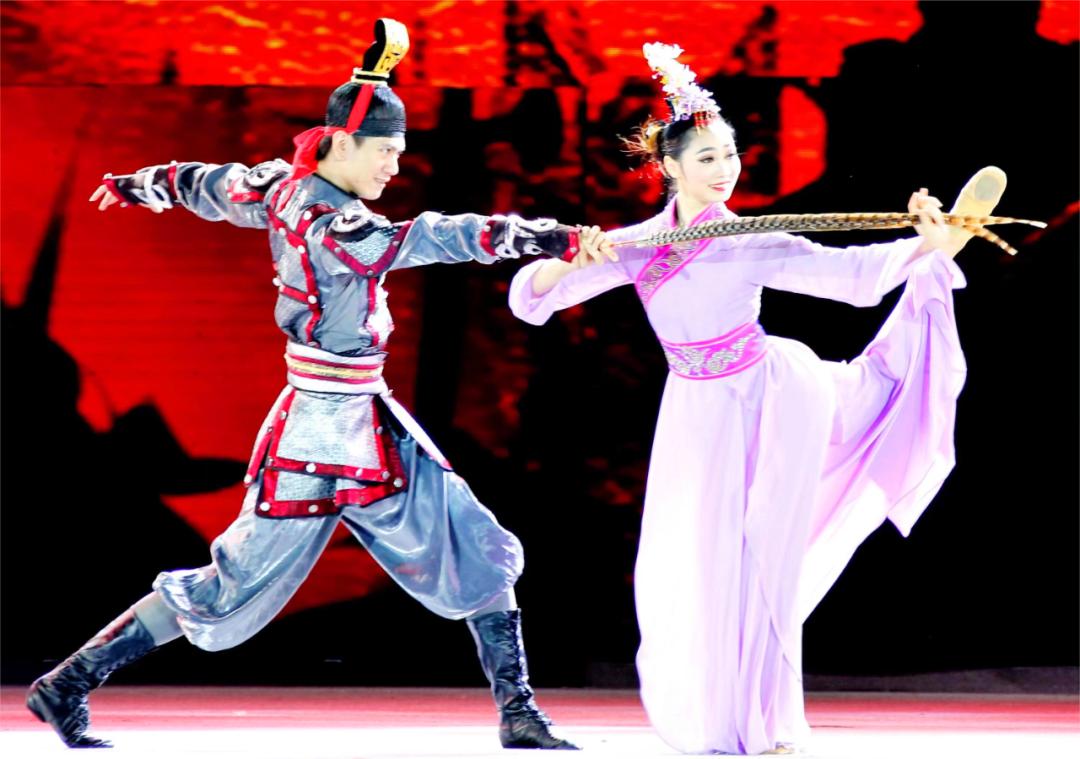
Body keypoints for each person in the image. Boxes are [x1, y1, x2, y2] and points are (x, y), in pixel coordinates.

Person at [26, 19, 597, 751]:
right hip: (323, 432)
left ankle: (519, 712)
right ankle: (68, 681)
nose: (394, 165)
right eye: (385, 151)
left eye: (399, 152)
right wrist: (544, 236)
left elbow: (208, 183)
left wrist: (140, 184)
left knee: (476, 543)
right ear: (343, 143)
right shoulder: (334, 224)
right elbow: (426, 236)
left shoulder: (279, 187)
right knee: (230, 585)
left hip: (362, 414)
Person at [509, 42, 996, 755]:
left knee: (761, 555)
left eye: (731, 154)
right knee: (690, 561)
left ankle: (765, 721)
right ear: (670, 165)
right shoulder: (635, 245)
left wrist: (927, 245)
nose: (724, 168)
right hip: (694, 409)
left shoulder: (749, 237)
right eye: (707, 157)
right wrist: (564, 263)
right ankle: (721, 716)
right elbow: (530, 302)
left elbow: (852, 278)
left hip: (770, 401)